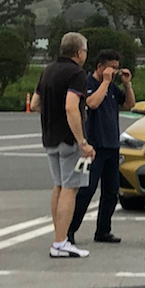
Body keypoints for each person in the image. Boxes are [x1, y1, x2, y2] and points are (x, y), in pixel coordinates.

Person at [30, 32, 95, 257]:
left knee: (58, 185)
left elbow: (35, 104)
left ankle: (59, 238)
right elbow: (71, 106)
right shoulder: (76, 73)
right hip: (69, 139)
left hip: (50, 137)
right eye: (85, 51)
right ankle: (60, 242)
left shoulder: (48, 71)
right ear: (79, 52)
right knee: (71, 188)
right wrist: (82, 142)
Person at [66, 50, 131, 245]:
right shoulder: (89, 83)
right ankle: (69, 230)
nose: (114, 72)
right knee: (86, 190)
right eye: (111, 68)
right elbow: (92, 103)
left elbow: (129, 104)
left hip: (112, 145)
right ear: (100, 67)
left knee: (111, 191)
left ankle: (103, 230)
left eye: (117, 68)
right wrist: (105, 82)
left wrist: (127, 85)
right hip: (94, 146)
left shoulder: (111, 87)